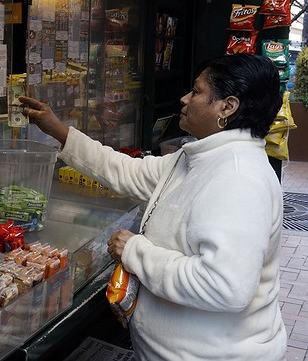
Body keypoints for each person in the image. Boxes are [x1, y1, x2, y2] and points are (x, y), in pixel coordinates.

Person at [20, 53, 287, 361]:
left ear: (227, 107)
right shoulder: (198, 158)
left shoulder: (239, 177)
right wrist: (58, 130)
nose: (184, 99)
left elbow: (223, 286)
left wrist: (135, 251)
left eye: (197, 92)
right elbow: (124, 170)